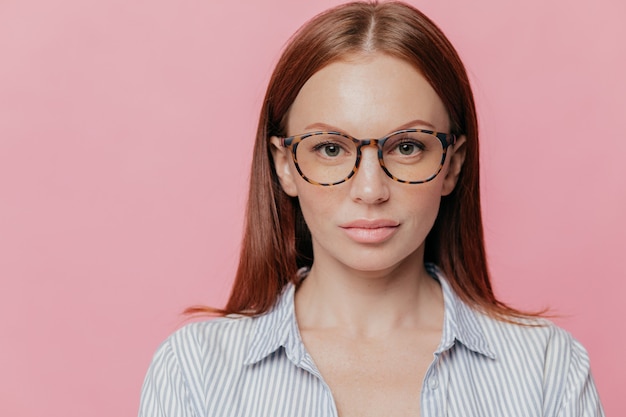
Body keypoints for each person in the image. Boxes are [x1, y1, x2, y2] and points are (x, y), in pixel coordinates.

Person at [138, 2, 605, 416]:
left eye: (406, 147)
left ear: (451, 165)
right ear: (284, 165)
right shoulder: (193, 372)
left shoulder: (547, 368)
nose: (369, 189)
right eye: (329, 148)